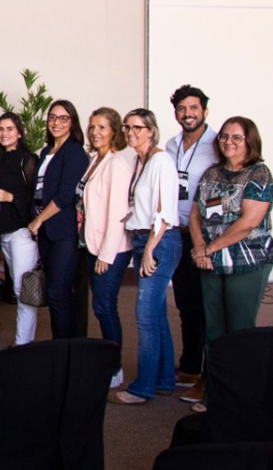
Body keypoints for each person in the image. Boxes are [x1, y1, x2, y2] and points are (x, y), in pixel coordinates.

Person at [190, 116, 273, 411]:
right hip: (210, 261)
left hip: (246, 260)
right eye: (224, 136)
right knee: (213, 330)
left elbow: (248, 222)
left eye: (236, 137)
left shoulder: (259, 174)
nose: (228, 141)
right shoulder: (212, 173)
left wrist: (209, 248)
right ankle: (215, 395)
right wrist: (200, 248)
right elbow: (195, 215)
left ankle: (243, 399)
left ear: (249, 141)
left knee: (240, 331)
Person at [109, 108, 181, 405]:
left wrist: (151, 247)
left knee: (145, 318)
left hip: (159, 242)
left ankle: (143, 388)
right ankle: (164, 379)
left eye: (137, 127)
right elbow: (143, 203)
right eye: (127, 127)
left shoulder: (161, 160)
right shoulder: (141, 160)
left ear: (151, 130)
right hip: (144, 239)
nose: (130, 132)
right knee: (157, 315)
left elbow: (164, 211)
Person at [164, 85, 217, 403]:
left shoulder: (218, 144)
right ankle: (190, 366)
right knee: (186, 304)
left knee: (209, 305)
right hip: (177, 232)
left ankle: (212, 376)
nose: (188, 114)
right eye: (182, 109)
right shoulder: (171, 145)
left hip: (207, 237)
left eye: (193, 108)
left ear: (205, 111)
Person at [80, 107, 134, 388]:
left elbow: (118, 214)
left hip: (110, 249)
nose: (95, 132)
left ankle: (115, 367)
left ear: (114, 131)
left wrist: (106, 254)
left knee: (104, 306)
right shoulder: (94, 160)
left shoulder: (117, 165)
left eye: (102, 127)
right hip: (93, 244)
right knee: (100, 305)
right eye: (92, 127)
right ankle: (107, 360)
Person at [26, 100, 89, 339]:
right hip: (46, 232)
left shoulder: (74, 152)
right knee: (55, 290)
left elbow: (65, 195)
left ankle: (64, 346)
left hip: (64, 232)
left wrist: (38, 220)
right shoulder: (45, 152)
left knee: (57, 291)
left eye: (63, 118)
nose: (57, 122)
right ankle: (62, 344)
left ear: (72, 123)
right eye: (53, 117)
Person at [0, 112, 39, 347]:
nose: (4, 133)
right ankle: (21, 342)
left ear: (19, 132)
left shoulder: (27, 159)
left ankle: (23, 345)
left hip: (22, 233)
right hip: (3, 233)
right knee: (16, 290)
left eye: (9, 129)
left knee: (22, 289)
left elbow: (33, 198)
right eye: (0, 129)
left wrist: (10, 197)